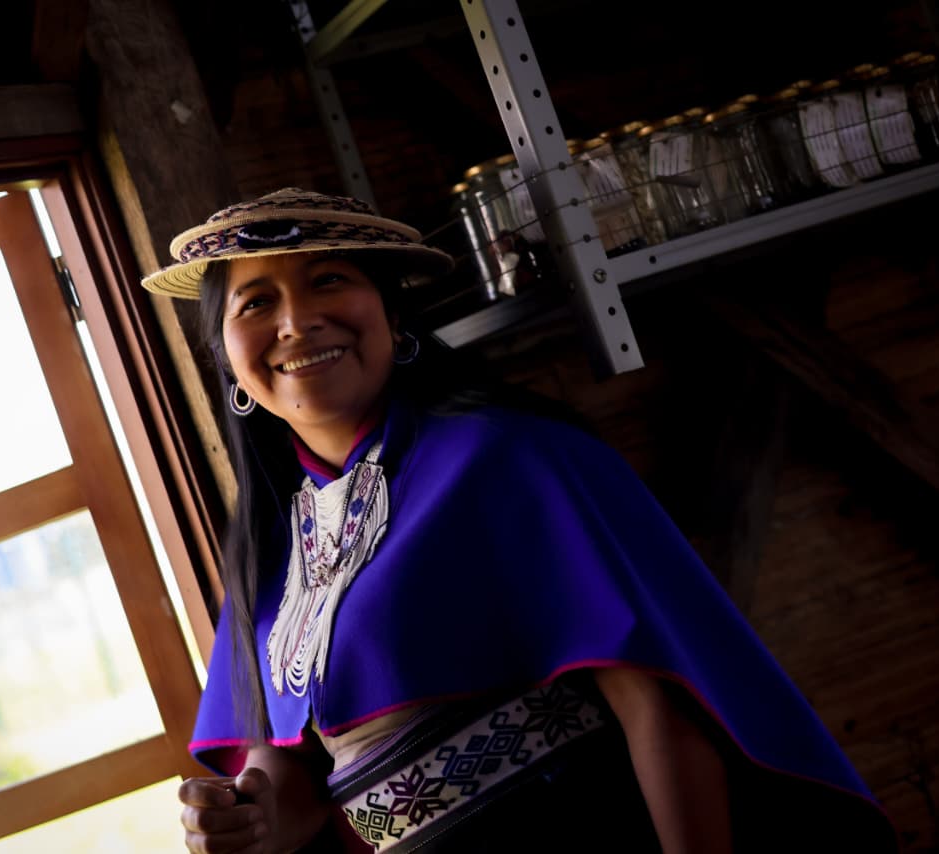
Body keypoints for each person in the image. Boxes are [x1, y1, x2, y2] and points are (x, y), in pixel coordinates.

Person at [141, 188, 897, 853]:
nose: (296, 320)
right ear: (226, 357)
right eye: (255, 302)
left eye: (328, 280)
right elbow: (297, 766)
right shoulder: (272, 546)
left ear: (393, 315)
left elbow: (658, 703)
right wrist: (253, 816)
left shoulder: (513, 456)